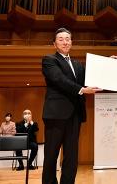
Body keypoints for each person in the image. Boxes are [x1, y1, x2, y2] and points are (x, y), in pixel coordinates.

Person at [41, 27, 100, 184]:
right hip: (56, 115)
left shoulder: (77, 64)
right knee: (51, 155)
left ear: (71, 42)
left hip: (75, 115)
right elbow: (59, 79)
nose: (65, 41)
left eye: (68, 39)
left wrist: (110, 62)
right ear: (54, 43)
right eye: (61, 39)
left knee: (71, 156)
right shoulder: (49, 60)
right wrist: (81, 89)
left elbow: (93, 74)